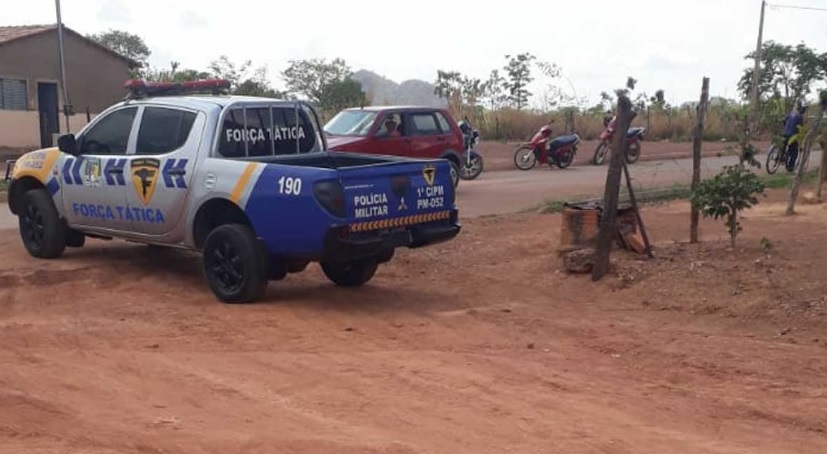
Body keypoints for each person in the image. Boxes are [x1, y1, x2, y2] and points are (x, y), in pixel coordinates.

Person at [784, 103, 807, 172]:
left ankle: (782, 156)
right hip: (793, 136)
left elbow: (784, 120)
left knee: (784, 146)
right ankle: (790, 167)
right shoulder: (800, 117)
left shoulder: (791, 113)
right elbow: (801, 129)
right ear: (802, 110)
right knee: (795, 152)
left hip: (785, 133)